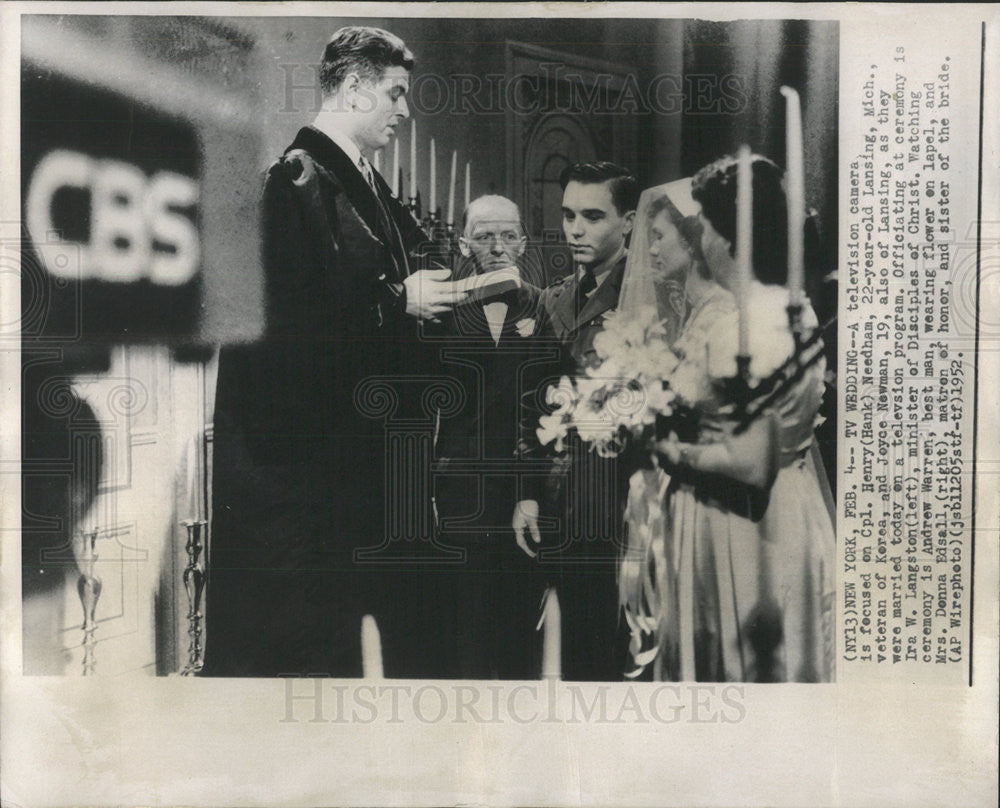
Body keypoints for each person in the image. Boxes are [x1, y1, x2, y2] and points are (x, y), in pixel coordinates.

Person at [202, 27, 465, 677]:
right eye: (395, 94)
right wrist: (397, 303)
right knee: (310, 661)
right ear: (352, 87)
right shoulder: (295, 184)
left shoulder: (363, 187)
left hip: (361, 480)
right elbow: (285, 338)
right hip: (309, 490)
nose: (406, 111)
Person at [648, 155, 835, 682]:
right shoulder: (797, 310)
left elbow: (751, 465)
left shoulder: (742, 330)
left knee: (736, 671)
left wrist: (670, 451)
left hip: (737, 524)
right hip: (789, 512)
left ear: (728, 235)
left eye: (704, 223)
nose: (700, 236)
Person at [512, 161, 639, 681]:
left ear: (628, 222)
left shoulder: (648, 297)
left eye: (592, 216)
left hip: (621, 506)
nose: (576, 229)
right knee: (558, 657)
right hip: (558, 504)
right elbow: (531, 401)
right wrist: (526, 492)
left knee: (612, 655)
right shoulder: (558, 297)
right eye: (568, 215)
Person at [424, 194, 547, 678]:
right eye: (484, 236)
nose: (497, 246)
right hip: (456, 498)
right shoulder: (438, 315)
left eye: (508, 235)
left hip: (522, 500)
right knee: (463, 644)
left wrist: (530, 493)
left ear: (523, 243)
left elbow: (543, 411)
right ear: (462, 244)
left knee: (518, 647)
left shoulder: (541, 307)